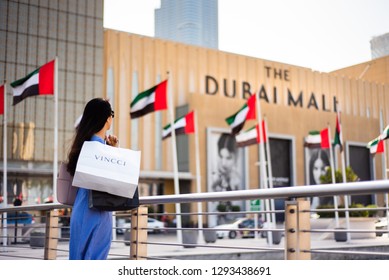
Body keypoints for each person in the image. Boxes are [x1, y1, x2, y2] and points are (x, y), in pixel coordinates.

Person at [66, 98, 119, 260]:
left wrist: (110, 149)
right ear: (107, 118)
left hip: (82, 210)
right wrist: (114, 152)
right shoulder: (99, 149)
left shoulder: (84, 145)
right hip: (97, 214)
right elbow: (113, 181)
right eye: (112, 114)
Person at [211, 133, 241, 224]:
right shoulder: (215, 178)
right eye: (221, 156)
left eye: (228, 158)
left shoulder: (237, 180)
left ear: (236, 158)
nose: (223, 163)